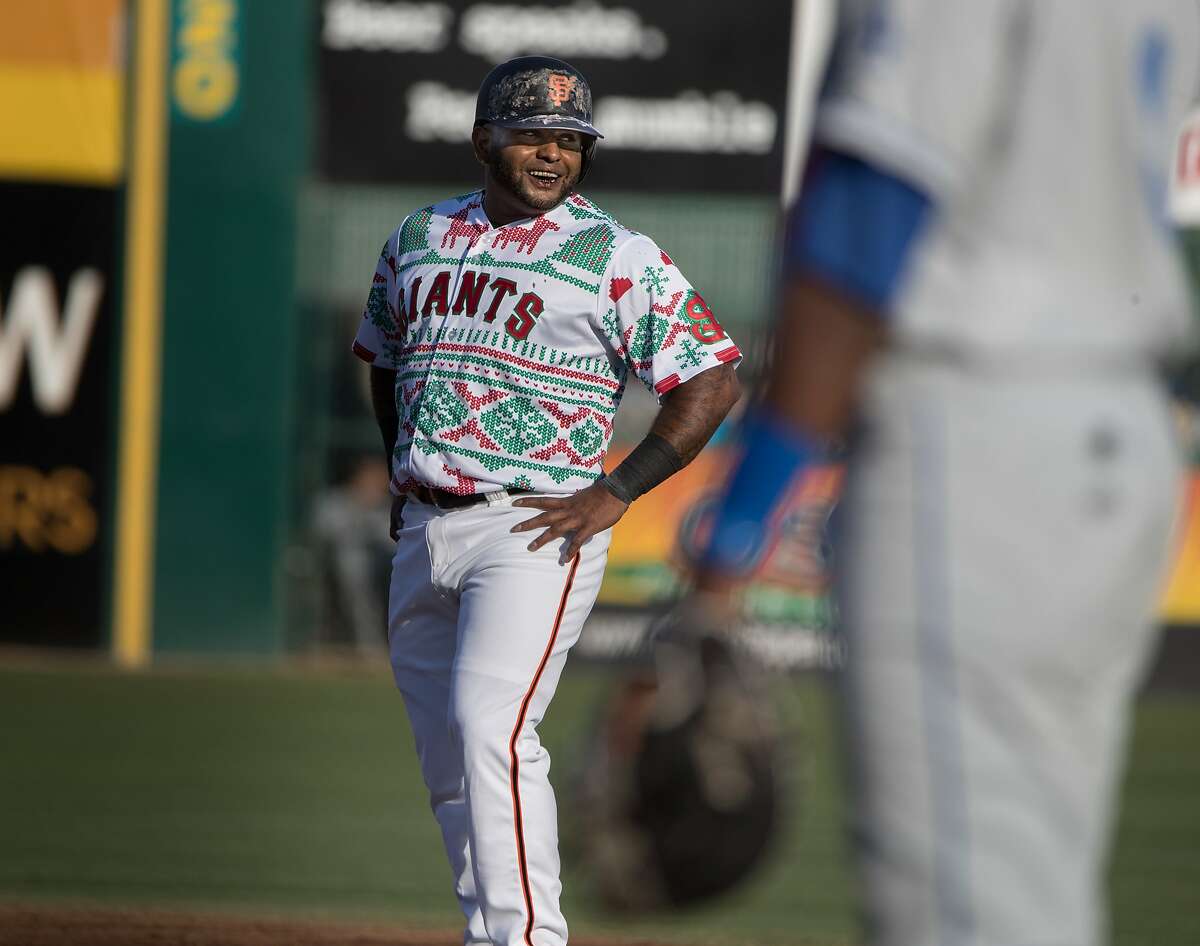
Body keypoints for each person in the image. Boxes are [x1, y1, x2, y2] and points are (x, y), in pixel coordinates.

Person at [696, 2, 1199, 945]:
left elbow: (867, 217)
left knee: (961, 917)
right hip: (1114, 426)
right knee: (1031, 895)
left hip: (978, 430)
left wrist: (732, 540)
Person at [351, 56, 741, 946]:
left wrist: (617, 490)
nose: (553, 154)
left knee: (493, 728)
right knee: (450, 759)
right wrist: (398, 466)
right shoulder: (418, 235)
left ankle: (526, 939)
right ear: (483, 137)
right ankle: (489, 927)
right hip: (424, 521)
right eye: (533, 133)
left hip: (536, 525)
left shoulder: (615, 255)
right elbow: (384, 356)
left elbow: (711, 378)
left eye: (570, 140)